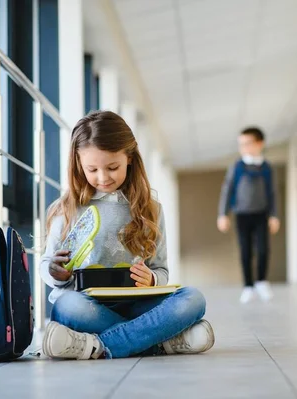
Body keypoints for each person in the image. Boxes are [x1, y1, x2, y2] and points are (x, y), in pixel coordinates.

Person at [40, 110, 215, 360]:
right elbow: (47, 264)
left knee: (193, 299)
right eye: (92, 169)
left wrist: (152, 279)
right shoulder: (66, 208)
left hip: (135, 304)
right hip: (87, 304)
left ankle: (97, 345)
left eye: (112, 167)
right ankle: (158, 342)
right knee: (67, 305)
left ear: (130, 158)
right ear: (79, 164)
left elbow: (162, 271)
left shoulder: (151, 209)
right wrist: (56, 273)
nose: (102, 178)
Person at [217, 127, 280, 304]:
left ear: (260, 144)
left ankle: (261, 281)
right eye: (241, 144)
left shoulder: (267, 168)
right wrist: (223, 214)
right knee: (245, 251)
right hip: (242, 214)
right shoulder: (237, 167)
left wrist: (275, 215)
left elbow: (273, 193)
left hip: (262, 214)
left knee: (262, 249)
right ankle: (248, 286)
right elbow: (227, 190)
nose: (243, 147)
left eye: (247, 143)